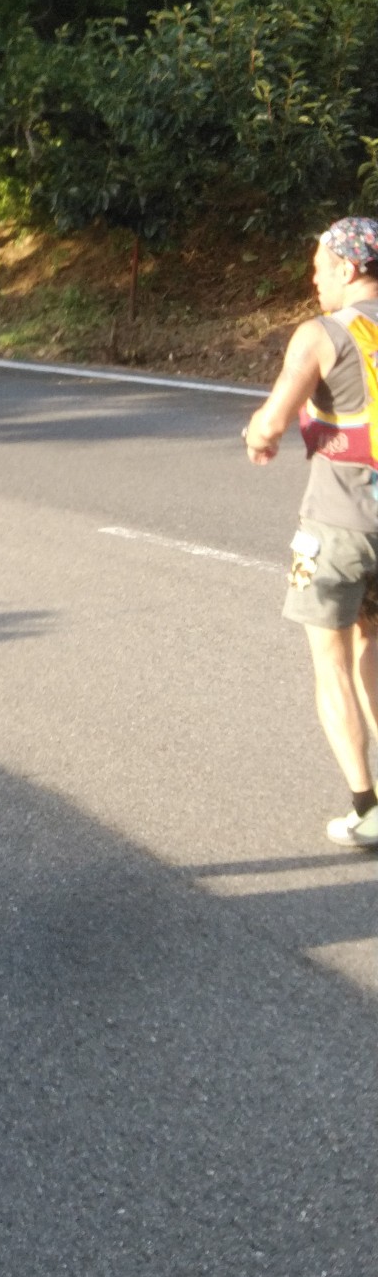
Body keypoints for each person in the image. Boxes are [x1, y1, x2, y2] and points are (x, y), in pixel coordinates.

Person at [244, 215, 378, 852]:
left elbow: (272, 419)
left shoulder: (321, 334)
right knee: (373, 646)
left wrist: (259, 435)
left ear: (349, 269)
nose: (314, 276)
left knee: (330, 662)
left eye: (321, 265)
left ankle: (366, 806)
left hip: (336, 529)